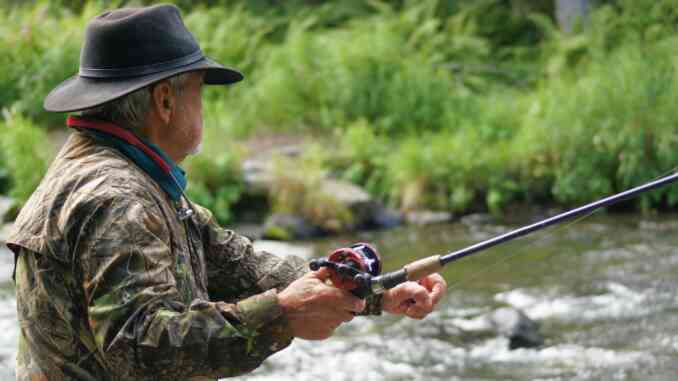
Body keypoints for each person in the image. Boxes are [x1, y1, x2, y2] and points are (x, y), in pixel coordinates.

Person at [6, 4, 447, 381]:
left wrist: (371, 291)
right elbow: (142, 347)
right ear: (164, 101)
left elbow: (235, 263)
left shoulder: (119, 173)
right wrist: (282, 315)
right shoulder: (117, 197)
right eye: (199, 92)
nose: (203, 108)